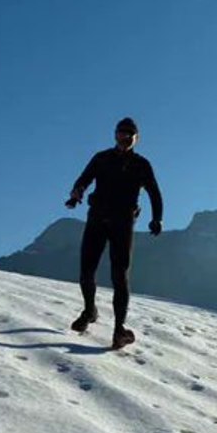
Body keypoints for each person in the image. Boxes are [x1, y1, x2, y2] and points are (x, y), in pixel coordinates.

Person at [65, 116, 163, 348]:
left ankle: (119, 330)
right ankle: (89, 311)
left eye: (131, 134)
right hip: (97, 219)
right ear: (115, 134)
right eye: (122, 132)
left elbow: (154, 193)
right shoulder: (101, 158)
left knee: (120, 276)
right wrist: (75, 194)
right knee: (86, 272)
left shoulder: (142, 164)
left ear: (136, 139)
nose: (126, 137)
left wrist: (156, 219)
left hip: (123, 223)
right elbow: (83, 179)